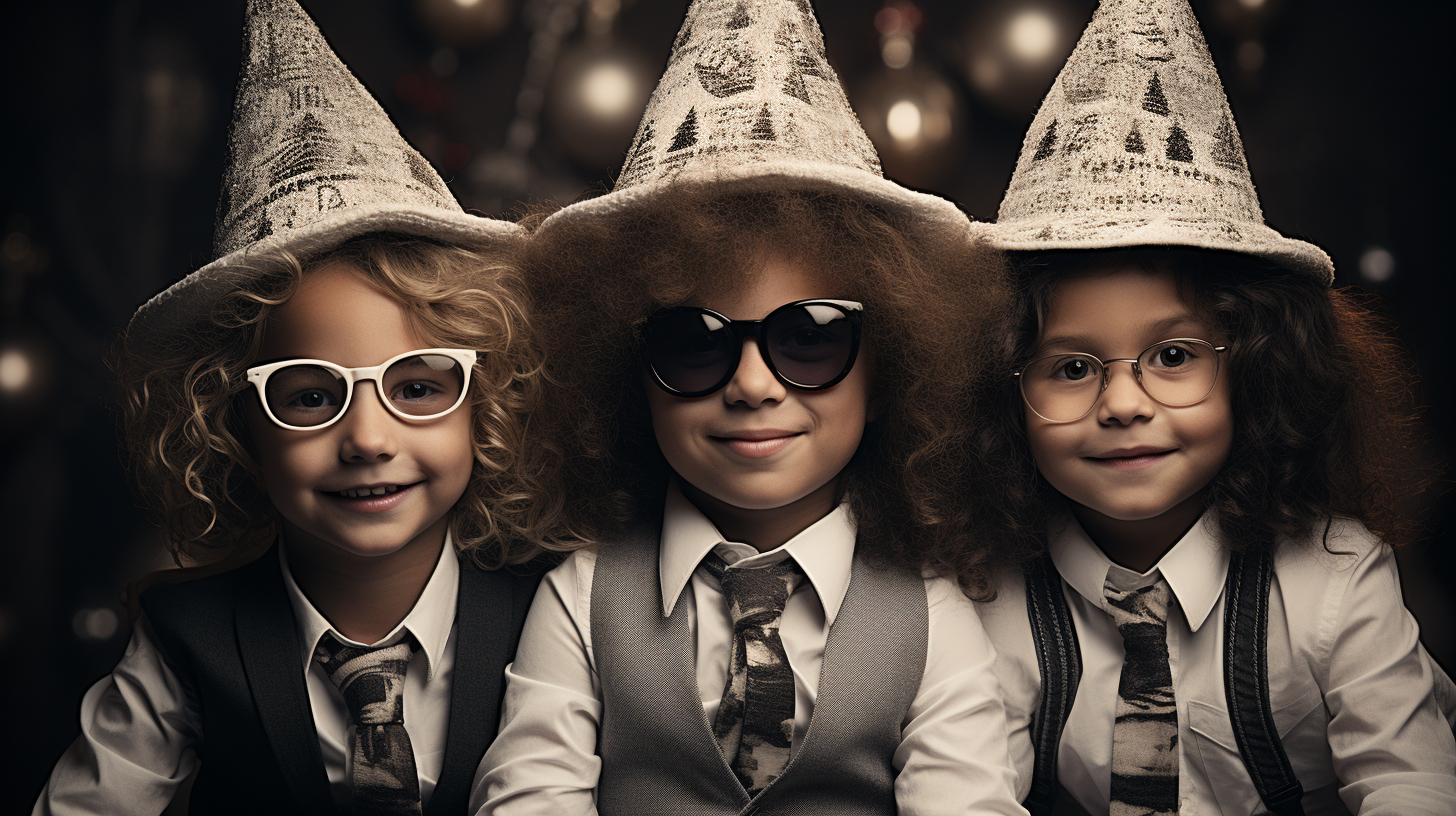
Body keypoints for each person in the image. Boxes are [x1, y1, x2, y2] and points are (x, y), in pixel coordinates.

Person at [471, 1, 1025, 814]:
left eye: (811, 339)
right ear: (629, 374)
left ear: (890, 373)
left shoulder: (932, 614)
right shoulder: (582, 596)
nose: (755, 384)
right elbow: (528, 796)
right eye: (694, 344)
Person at [33, 1, 564, 814]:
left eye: (418, 387)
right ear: (232, 423)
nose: (367, 439)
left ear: (481, 402)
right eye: (310, 396)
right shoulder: (187, 637)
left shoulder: (553, 614)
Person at [974, 1, 1456, 813]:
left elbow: (1410, 778)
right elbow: (971, 785)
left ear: (1258, 369)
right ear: (1000, 389)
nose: (1123, 403)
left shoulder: (1335, 577)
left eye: (1171, 357)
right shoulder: (992, 596)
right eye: (1071, 367)